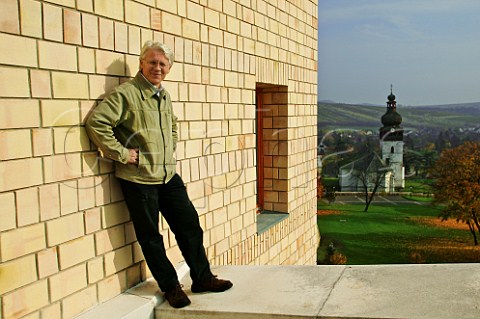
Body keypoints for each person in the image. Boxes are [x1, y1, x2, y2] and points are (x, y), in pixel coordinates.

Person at [85, 41, 233, 308]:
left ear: (169, 69)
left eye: (163, 64)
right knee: (151, 237)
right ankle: (171, 287)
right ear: (142, 63)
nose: (158, 68)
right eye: (152, 62)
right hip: (138, 180)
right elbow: (97, 123)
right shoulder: (126, 94)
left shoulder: (163, 95)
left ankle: (202, 278)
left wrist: (169, 147)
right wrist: (122, 153)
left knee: (189, 226)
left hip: (167, 176)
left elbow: (172, 125)